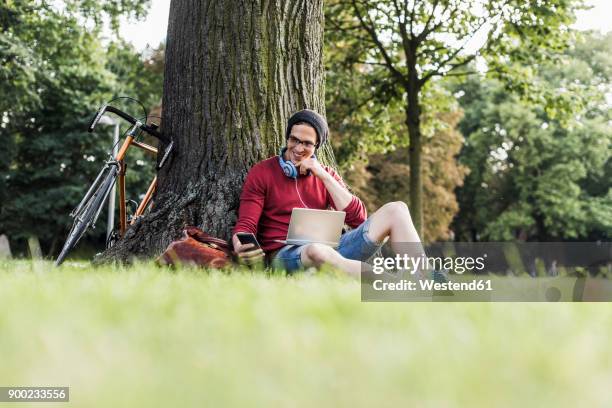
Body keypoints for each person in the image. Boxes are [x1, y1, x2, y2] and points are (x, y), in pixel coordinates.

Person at [232, 109, 424, 277]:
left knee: (396, 210)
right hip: (286, 255)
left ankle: (425, 278)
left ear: (316, 147)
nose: (298, 148)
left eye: (307, 143)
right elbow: (245, 226)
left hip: (334, 248)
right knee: (317, 250)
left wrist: (323, 176)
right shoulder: (262, 172)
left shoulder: (325, 175)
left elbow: (358, 219)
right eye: (294, 140)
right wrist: (240, 244)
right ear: (287, 138)